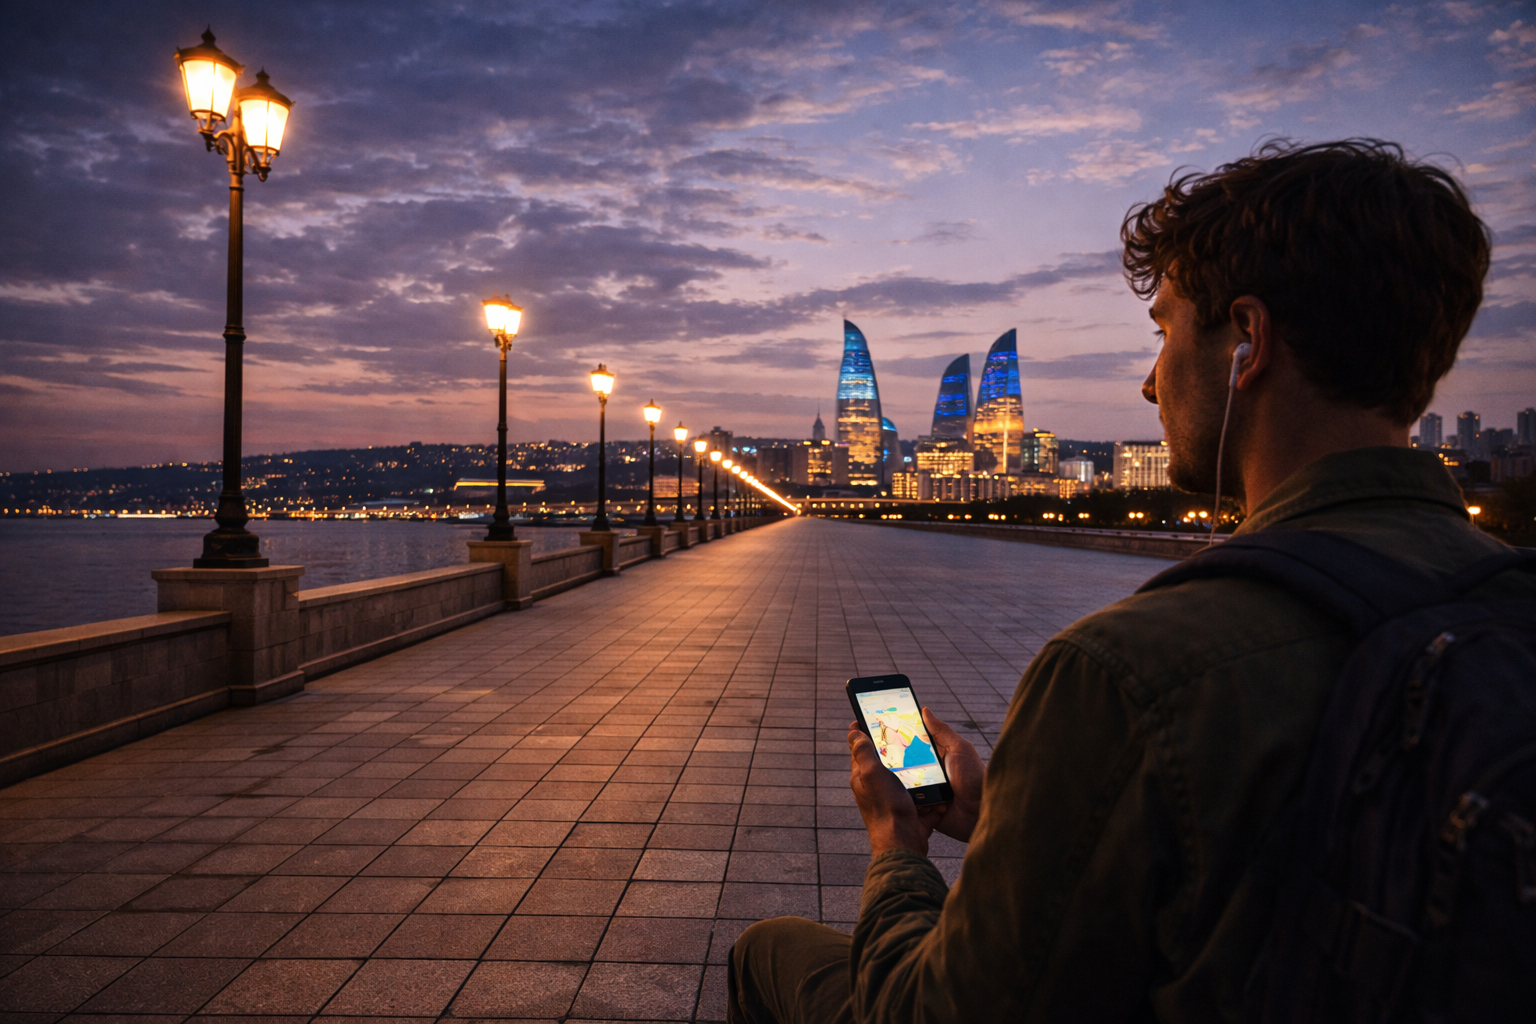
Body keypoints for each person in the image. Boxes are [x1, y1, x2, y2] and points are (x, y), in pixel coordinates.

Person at [729, 139, 1530, 1022]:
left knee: (770, 950)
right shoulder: (1511, 603)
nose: (1150, 382)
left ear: (1247, 342)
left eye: (1166, 330)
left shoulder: (1126, 673)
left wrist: (896, 847)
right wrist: (1007, 814)